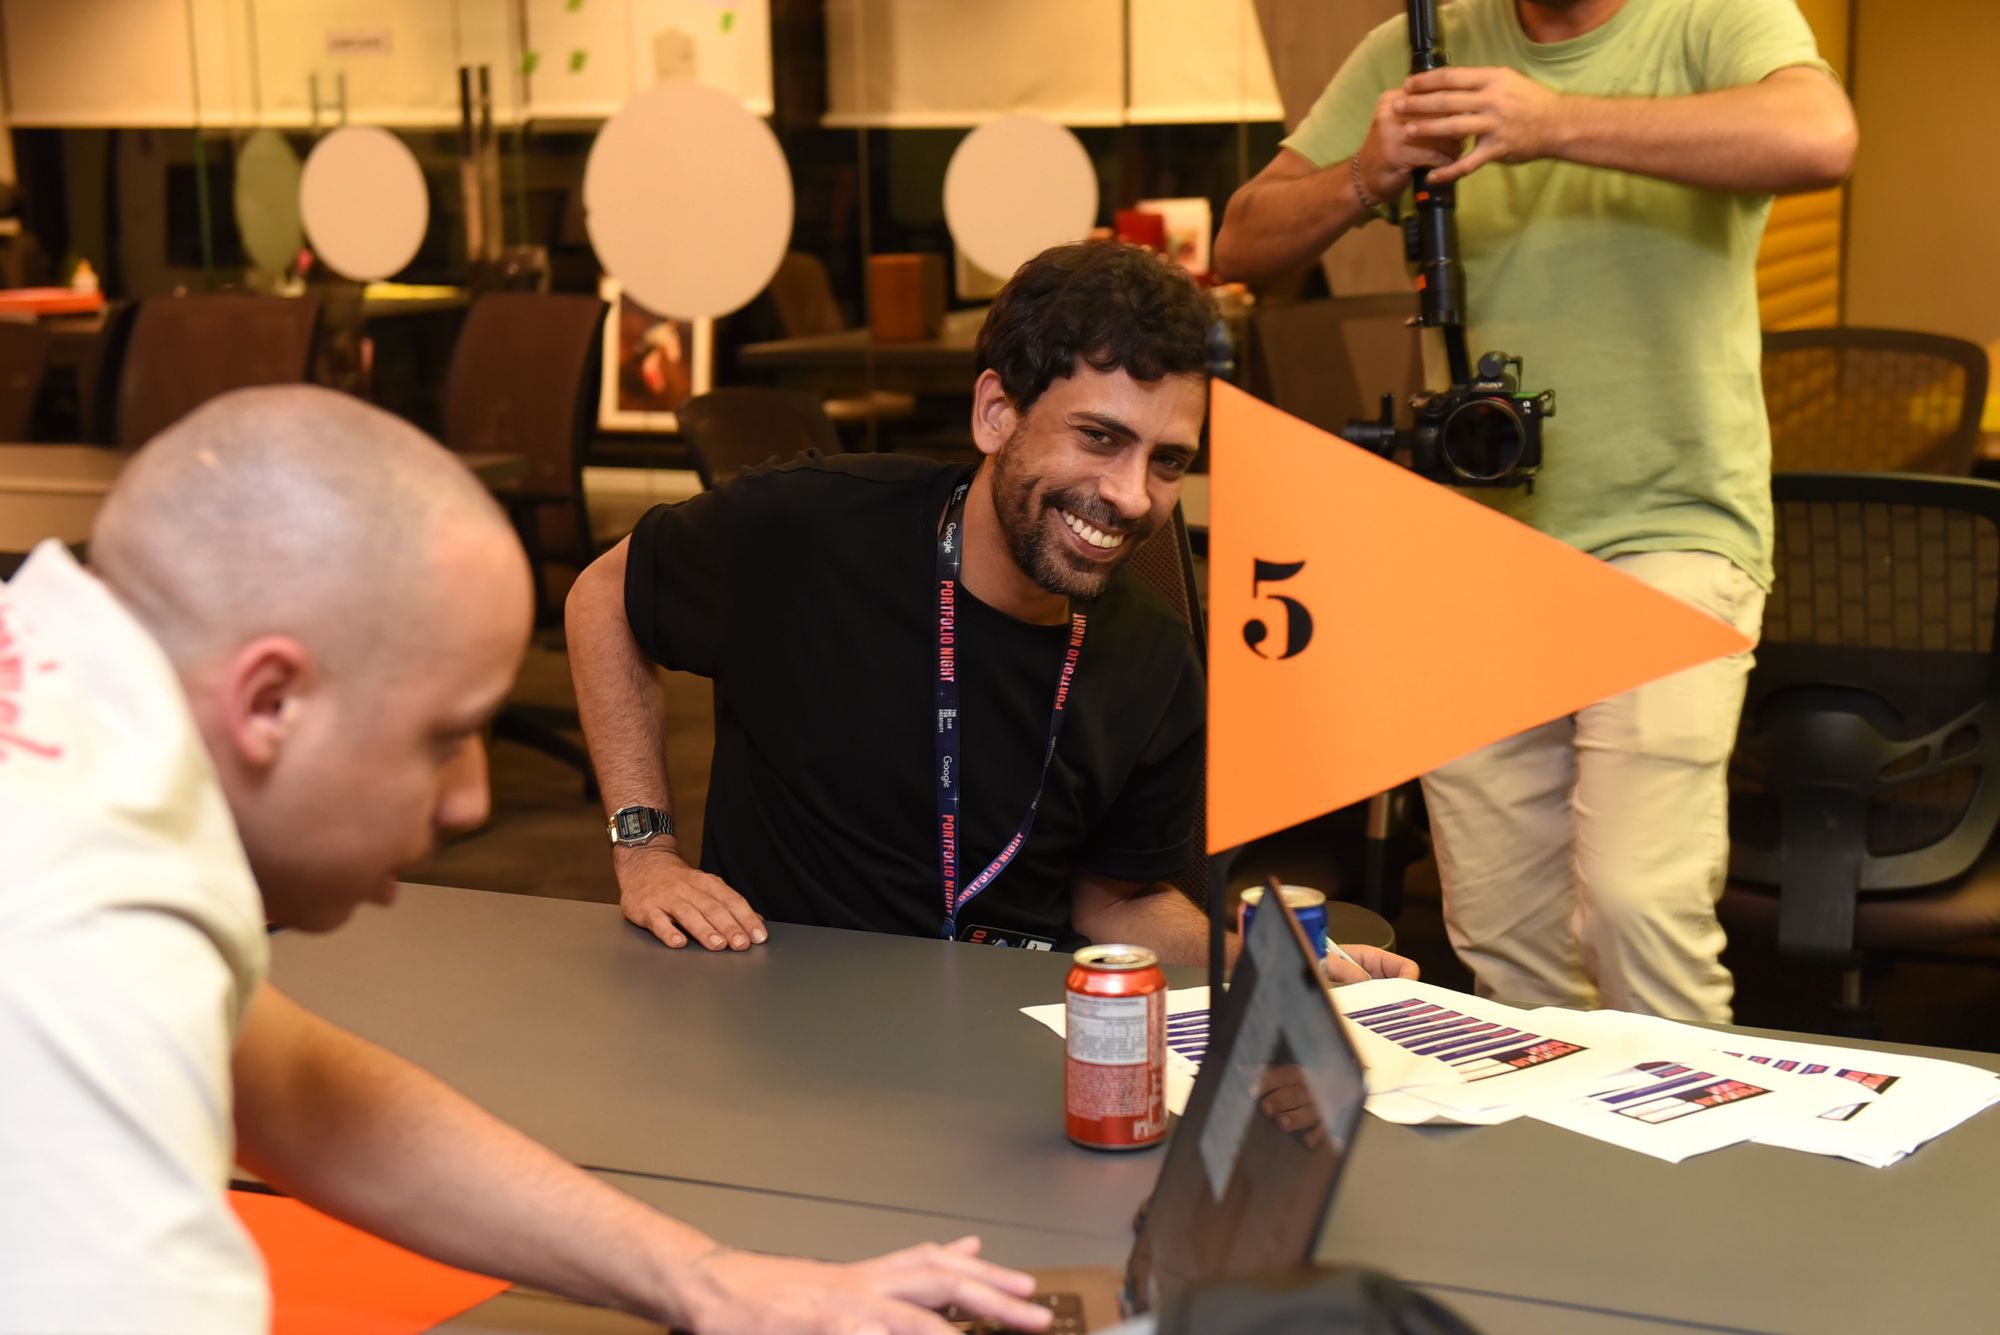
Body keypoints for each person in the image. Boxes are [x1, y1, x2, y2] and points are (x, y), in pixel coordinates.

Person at [0, 386, 1050, 1335]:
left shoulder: (80, 703)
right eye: (440, 737)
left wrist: (710, 1281)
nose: (471, 798)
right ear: (269, 701)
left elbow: (290, 1085)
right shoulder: (75, 949)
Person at [1213, 0, 1857, 1022]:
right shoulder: (1416, 48)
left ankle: (1689, 1129)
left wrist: (1549, 121)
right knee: (1504, 947)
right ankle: (1555, 1131)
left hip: (1669, 530)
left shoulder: (1711, 17)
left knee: (1635, 911)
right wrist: (1366, 174)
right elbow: (1242, 239)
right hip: (1475, 548)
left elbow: (1818, 136)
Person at [569, 241, 1415, 979]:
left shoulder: (1152, 657)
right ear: (995, 414)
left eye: (1168, 461)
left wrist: (1259, 963)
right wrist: (646, 850)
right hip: (776, 1000)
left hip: (1010, 1021)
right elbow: (603, 598)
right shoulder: (809, 529)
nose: (1131, 495)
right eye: (1099, 437)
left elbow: (1114, 903)